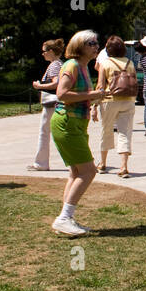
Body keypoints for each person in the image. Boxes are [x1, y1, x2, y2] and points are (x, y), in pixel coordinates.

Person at [49, 30, 108, 236]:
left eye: (96, 42)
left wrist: (98, 97)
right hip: (67, 123)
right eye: (91, 42)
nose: (96, 46)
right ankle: (64, 218)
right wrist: (93, 94)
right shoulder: (72, 65)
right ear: (79, 46)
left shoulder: (83, 66)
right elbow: (62, 94)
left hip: (75, 124)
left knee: (75, 172)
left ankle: (66, 219)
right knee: (89, 171)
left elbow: (79, 96)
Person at [95, 35, 137, 177]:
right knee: (125, 132)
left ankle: (102, 163)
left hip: (109, 99)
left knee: (106, 130)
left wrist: (94, 105)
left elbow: (101, 85)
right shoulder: (130, 63)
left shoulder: (105, 64)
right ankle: (124, 166)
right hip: (128, 99)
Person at [27, 38, 65, 171]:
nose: (42, 54)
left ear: (50, 51)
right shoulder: (60, 64)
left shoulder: (54, 65)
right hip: (57, 103)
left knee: (45, 132)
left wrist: (39, 86)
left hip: (51, 103)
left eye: (44, 51)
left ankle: (41, 163)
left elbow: (56, 83)